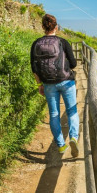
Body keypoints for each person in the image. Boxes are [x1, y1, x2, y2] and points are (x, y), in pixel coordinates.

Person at [30, 14, 79, 157]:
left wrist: (40, 85)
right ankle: (74, 137)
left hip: (48, 84)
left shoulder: (36, 44)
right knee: (72, 111)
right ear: (56, 27)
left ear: (43, 27)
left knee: (54, 114)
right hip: (66, 81)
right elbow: (74, 64)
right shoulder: (63, 42)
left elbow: (34, 68)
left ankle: (60, 145)